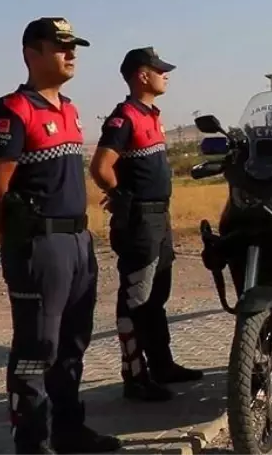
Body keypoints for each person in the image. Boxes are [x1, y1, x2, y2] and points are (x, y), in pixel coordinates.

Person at [0, 18, 121, 454]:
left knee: (73, 344)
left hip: (78, 244)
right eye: (60, 47)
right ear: (31, 54)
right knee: (37, 347)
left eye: (73, 46)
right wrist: (20, 240)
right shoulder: (13, 113)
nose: (70, 54)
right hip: (41, 247)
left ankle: (69, 430)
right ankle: (33, 441)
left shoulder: (70, 109)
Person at [89, 48, 203, 402]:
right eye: (159, 70)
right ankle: (135, 377)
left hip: (160, 217)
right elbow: (100, 167)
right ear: (142, 75)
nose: (165, 75)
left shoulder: (151, 115)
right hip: (140, 221)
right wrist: (120, 195)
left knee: (157, 296)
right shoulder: (124, 118)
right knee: (136, 299)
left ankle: (163, 366)